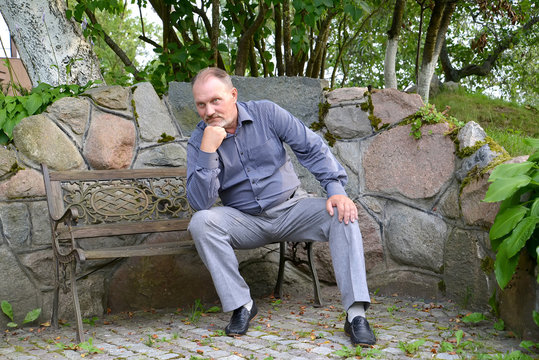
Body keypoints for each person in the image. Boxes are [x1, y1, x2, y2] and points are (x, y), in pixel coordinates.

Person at [186, 67, 376, 346]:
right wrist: (207, 152)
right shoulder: (199, 141)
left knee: (343, 214)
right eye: (201, 104)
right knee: (201, 223)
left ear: (233, 95)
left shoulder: (266, 113)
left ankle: (355, 315)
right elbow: (200, 204)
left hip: (291, 209)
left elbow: (311, 147)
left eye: (215, 100)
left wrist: (335, 190)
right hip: (244, 219)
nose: (209, 110)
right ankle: (243, 306)